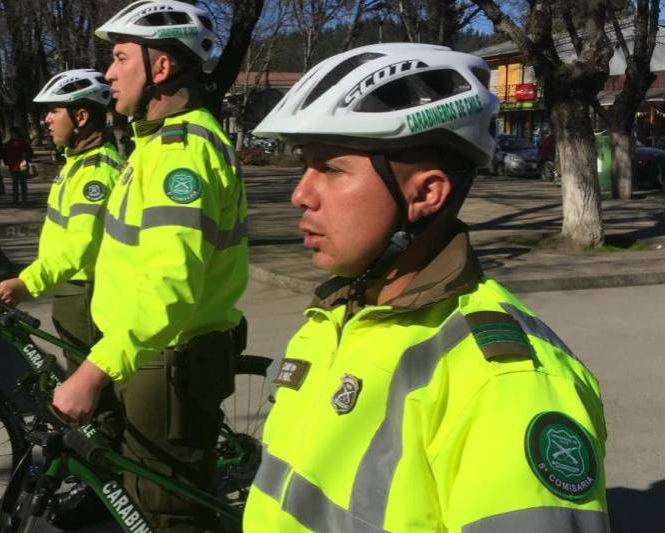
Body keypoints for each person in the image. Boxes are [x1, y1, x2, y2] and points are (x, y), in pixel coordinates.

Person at [242, 43, 609, 532]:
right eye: (305, 164)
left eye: (330, 168)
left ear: (425, 193)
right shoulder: (337, 317)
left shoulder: (505, 384)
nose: (300, 193)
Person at [50, 1, 249, 531]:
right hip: (145, 350)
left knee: (165, 512)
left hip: (167, 356)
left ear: (160, 68)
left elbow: (170, 286)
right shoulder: (153, 144)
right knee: (141, 496)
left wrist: (93, 371)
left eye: (119, 58)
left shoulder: (181, 153)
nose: (108, 74)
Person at [0, 69, 121, 357]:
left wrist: (28, 283)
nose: (46, 120)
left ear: (82, 117)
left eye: (53, 110)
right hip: (70, 285)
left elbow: (80, 244)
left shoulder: (95, 172)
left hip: (84, 290)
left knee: (86, 387)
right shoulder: (78, 163)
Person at [1, 126, 34, 203]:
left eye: (13, 133)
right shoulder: (11, 143)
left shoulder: (17, 143)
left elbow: (29, 152)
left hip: (20, 165)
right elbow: (5, 153)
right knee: (16, 183)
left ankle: (21, 199)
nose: (12, 135)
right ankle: (18, 198)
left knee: (21, 183)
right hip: (14, 165)